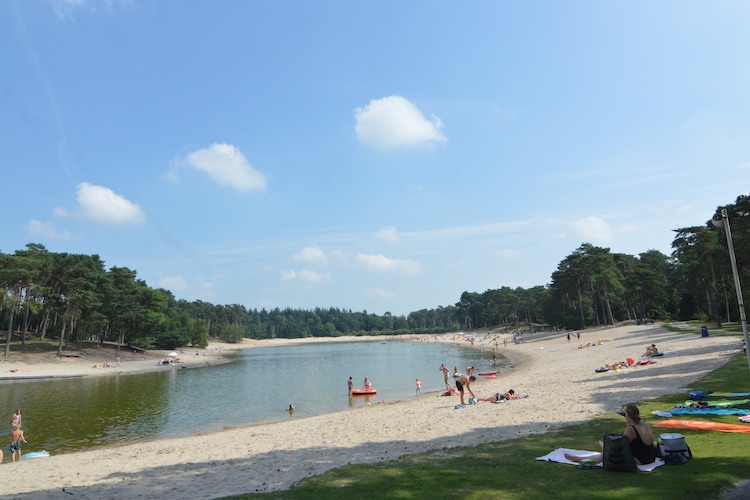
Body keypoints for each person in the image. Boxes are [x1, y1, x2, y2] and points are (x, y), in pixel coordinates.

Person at [564, 405, 656, 465]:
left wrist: (607, 448)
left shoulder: (630, 429)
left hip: (641, 459)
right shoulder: (642, 423)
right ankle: (581, 458)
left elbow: (622, 447)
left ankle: (578, 459)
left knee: (606, 454)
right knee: (607, 451)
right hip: (651, 455)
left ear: (627, 415)